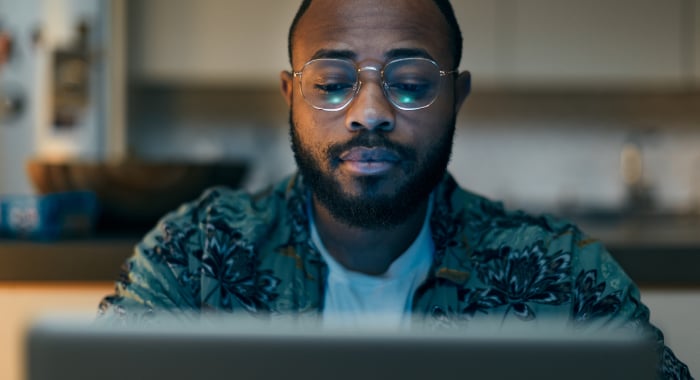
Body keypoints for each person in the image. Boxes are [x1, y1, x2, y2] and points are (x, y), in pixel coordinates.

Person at [97, 0, 692, 378]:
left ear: (458, 97)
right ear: (290, 96)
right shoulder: (197, 251)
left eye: (410, 83)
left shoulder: (559, 274)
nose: (370, 113)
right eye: (332, 82)